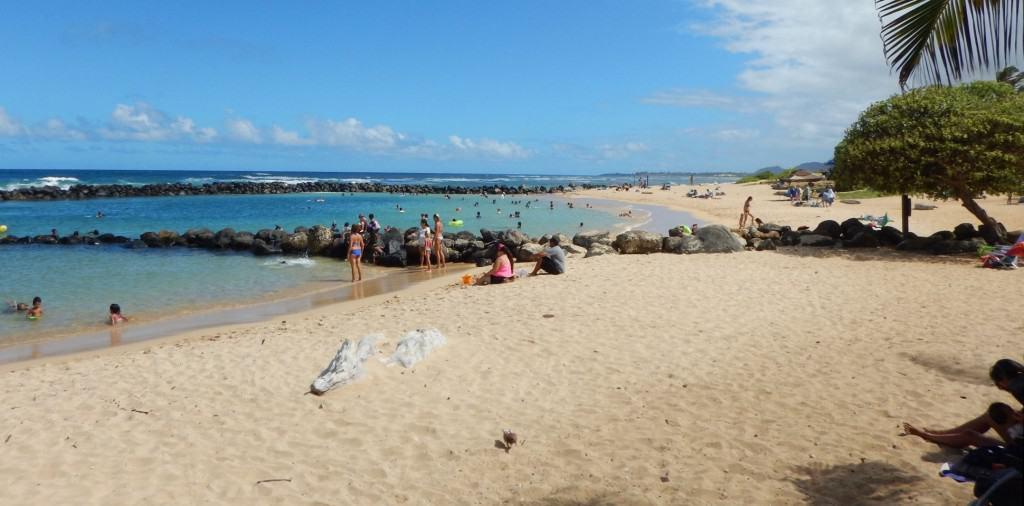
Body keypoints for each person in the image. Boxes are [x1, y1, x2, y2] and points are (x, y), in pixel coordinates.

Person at [901, 359, 1024, 448]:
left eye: (998, 383)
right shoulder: (1020, 381)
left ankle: (928, 436)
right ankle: (941, 434)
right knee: (993, 413)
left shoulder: (1016, 387)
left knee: (969, 435)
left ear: (1003, 380)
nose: (999, 387)